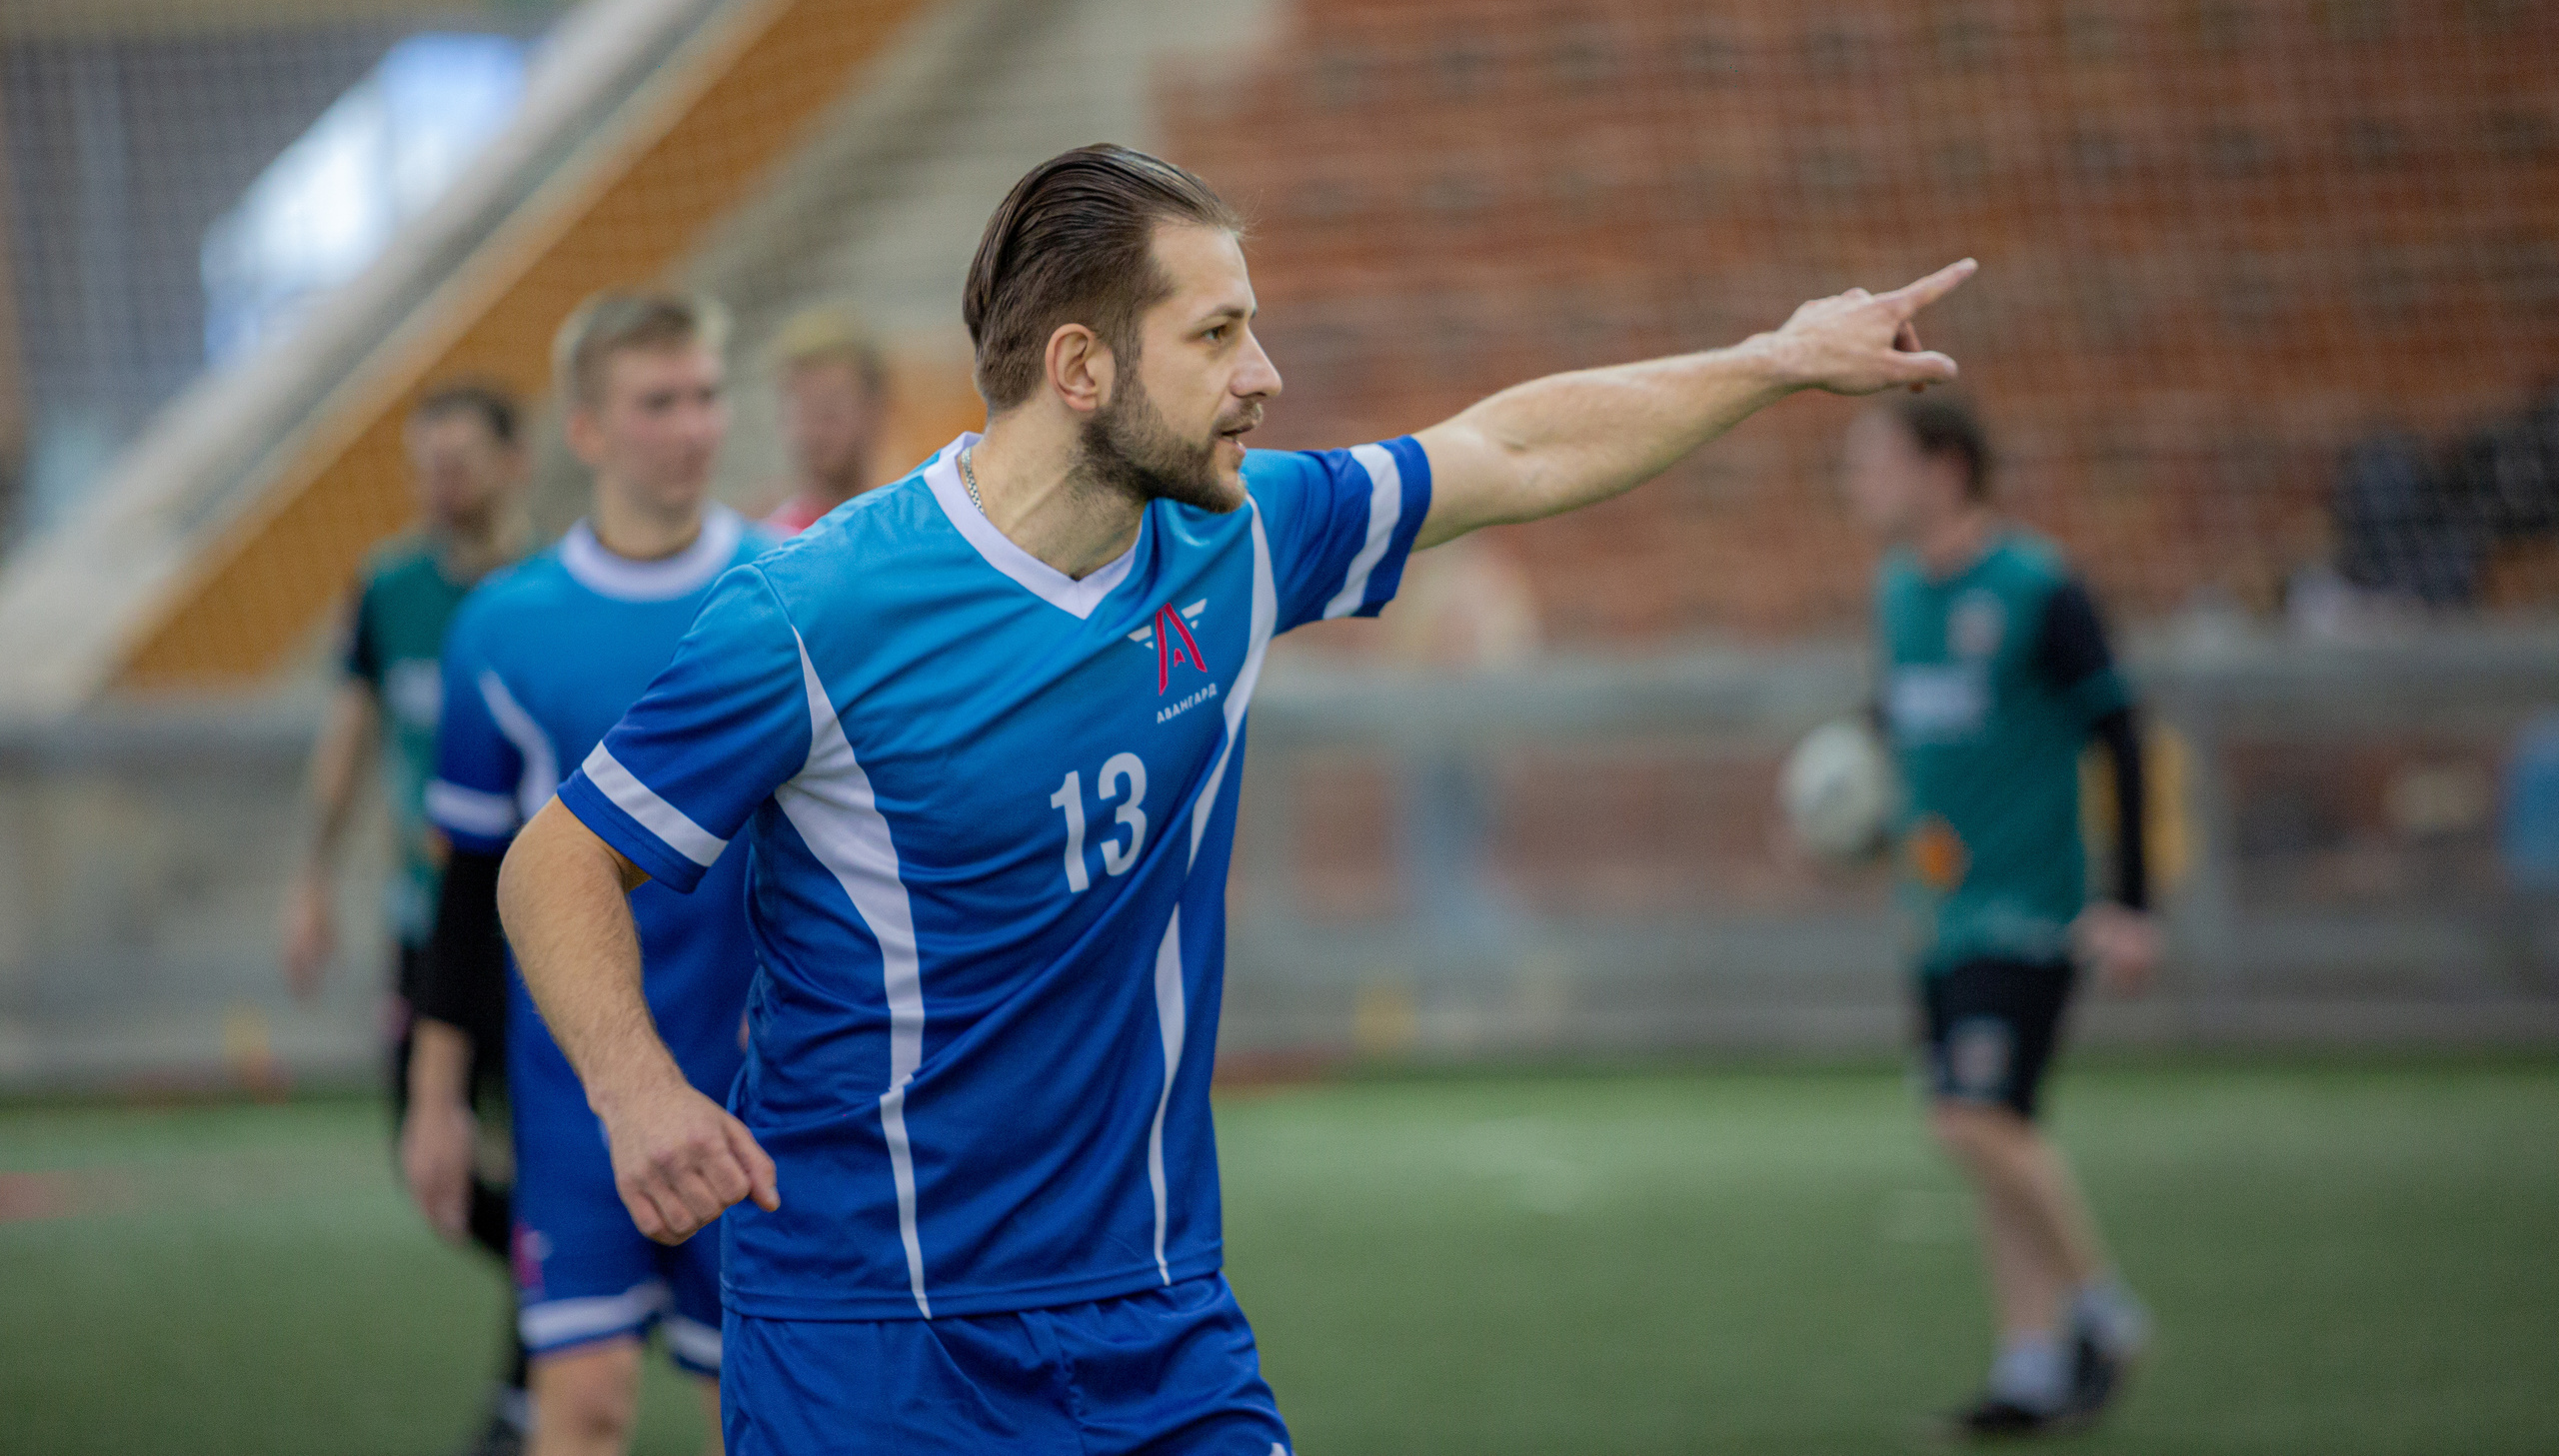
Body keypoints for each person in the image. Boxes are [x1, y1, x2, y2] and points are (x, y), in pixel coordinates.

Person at [492, 145, 1971, 1455]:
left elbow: (1505, 449)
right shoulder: (812, 612)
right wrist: (635, 1087)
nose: (1263, 373)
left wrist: (1775, 357)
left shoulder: (1239, 534)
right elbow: (554, 860)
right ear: (1082, 369)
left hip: (1156, 1317)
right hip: (871, 1335)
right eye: (1217, 333)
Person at [403, 293, 771, 1456]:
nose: (691, 425)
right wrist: (436, 1094)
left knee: (755, 1414)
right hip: (571, 1101)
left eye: (706, 395)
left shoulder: (790, 592)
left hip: (762, 1091)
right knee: (586, 1403)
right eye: (657, 401)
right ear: (588, 430)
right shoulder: (504, 630)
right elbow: (468, 890)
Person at [1841, 394, 2158, 1438]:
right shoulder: (1895, 591)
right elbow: (1900, 722)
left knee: (1966, 1119)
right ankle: (2027, 1365)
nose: (1856, 482)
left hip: (2029, 912)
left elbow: (2118, 732)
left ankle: (2102, 1313)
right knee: (1996, 1133)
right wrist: (1838, 803)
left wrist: (2130, 902)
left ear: (1943, 470)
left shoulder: (2035, 587)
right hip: (1935, 913)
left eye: (1874, 461)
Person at [277, 381, 532, 1456]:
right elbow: (348, 734)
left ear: (513, 462)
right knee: (425, 1155)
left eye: (462, 457)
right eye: (427, 460)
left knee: (549, 1144)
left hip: (533, 929)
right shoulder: (386, 590)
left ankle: (531, 1387)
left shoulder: (546, 592)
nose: (443, 479)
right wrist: (310, 879)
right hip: (424, 928)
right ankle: (586, 1269)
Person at [756, 302, 889, 536]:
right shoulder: (774, 546)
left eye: (831, 409)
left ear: (874, 407)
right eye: (803, 410)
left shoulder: (906, 528)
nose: (817, 431)